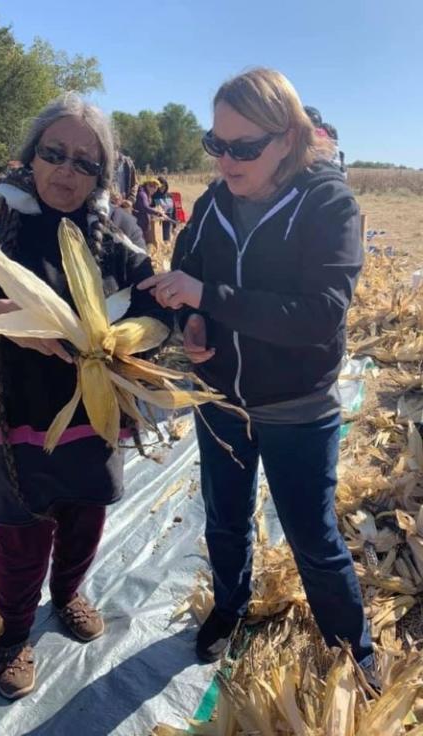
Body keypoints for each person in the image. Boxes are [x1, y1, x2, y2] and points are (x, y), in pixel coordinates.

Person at [138, 68, 375, 678]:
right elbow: (188, 275)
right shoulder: (215, 202)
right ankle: (229, 607)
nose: (226, 160)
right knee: (223, 518)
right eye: (216, 143)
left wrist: (208, 295)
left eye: (244, 147)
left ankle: (354, 650)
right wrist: (194, 323)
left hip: (297, 405)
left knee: (313, 538)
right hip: (219, 398)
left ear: (290, 137)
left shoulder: (329, 203)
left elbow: (319, 316)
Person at [0, 92, 169, 700]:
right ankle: (16, 633)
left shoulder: (116, 229)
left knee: (85, 513)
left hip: (92, 411)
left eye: (85, 163)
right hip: (9, 410)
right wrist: (4, 313)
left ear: (103, 173)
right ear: (31, 154)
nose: (66, 172)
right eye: (54, 154)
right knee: (20, 529)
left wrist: (143, 334)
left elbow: (151, 300)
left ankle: (68, 593)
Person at [133, 178, 166, 245]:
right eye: (154, 187)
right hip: (139, 223)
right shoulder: (142, 194)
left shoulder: (146, 194)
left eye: (156, 188)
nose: (155, 190)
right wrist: (157, 212)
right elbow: (145, 207)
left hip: (143, 223)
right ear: (148, 185)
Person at [153, 176, 175, 242]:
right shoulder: (153, 196)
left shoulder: (169, 195)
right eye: (160, 186)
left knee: (167, 241)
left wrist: (174, 225)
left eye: (164, 186)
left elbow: (174, 211)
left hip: (168, 223)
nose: (162, 188)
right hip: (158, 223)